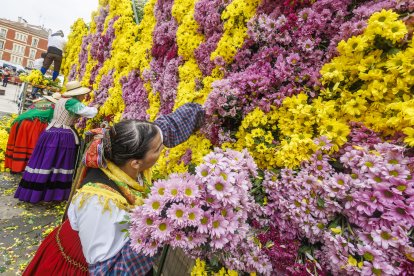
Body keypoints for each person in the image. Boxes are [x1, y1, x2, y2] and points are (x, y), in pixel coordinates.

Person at [23, 103, 205, 275]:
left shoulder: (120, 151)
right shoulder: (100, 203)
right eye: (158, 149)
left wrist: (205, 111)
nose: (162, 150)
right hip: (82, 266)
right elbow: (107, 271)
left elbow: (163, 129)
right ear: (136, 162)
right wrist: (156, 231)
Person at [14, 81, 98, 203]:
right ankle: (51, 195)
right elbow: (90, 113)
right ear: (77, 94)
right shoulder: (71, 102)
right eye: (82, 94)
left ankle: (36, 193)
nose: (83, 96)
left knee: (45, 162)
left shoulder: (61, 101)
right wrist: (97, 107)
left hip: (49, 133)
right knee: (58, 163)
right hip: (61, 136)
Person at [5, 93, 61, 173]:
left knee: (19, 143)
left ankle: (14, 168)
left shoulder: (40, 102)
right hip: (32, 124)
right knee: (29, 145)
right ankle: (23, 168)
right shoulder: (54, 107)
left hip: (19, 122)